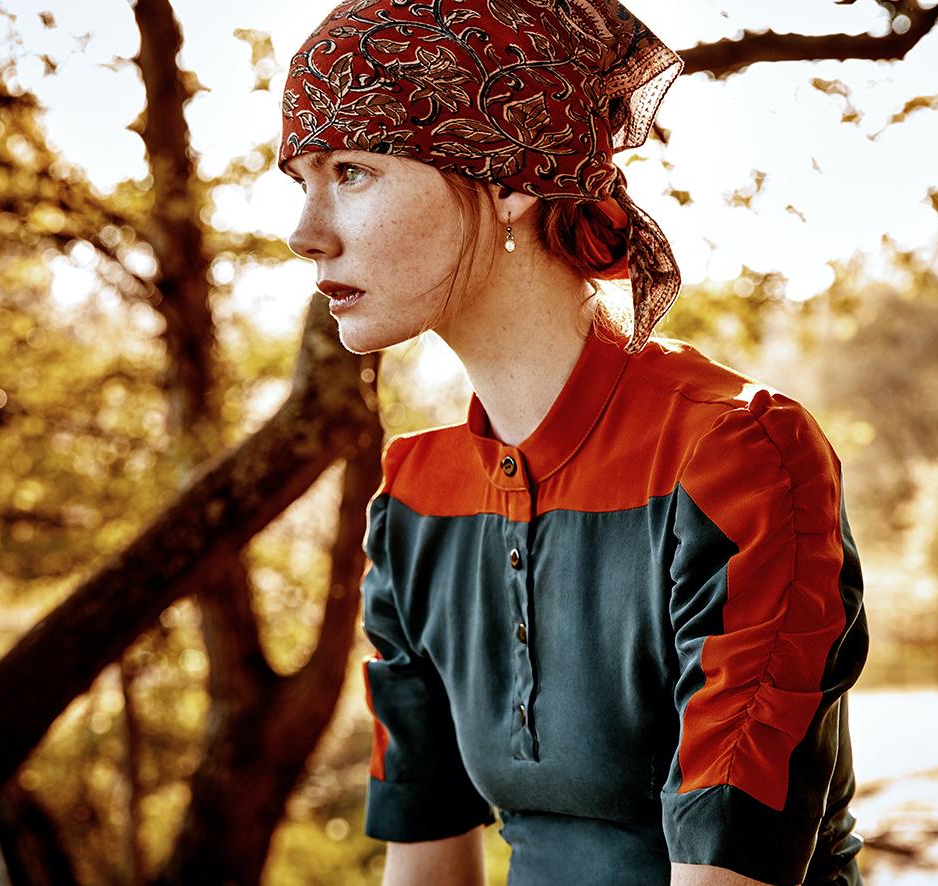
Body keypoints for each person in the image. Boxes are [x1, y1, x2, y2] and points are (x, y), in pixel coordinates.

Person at [277, 2, 869, 884]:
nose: (305, 234)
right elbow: (425, 864)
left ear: (511, 178)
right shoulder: (413, 500)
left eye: (353, 172)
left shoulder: (737, 457)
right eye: (302, 181)